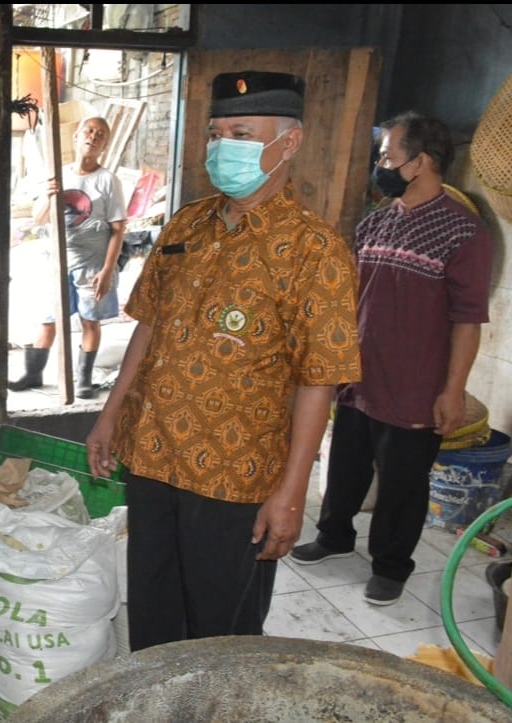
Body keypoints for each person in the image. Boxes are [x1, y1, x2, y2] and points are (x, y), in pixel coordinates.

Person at [85, 70, 361, 650]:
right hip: (154, 453)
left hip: (234, 476)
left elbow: (320, 380)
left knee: (221, 631)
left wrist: (290, 494)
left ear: (289, 143)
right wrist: (111, 416)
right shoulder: (187, 223)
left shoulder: (316, 250)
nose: (220, 147)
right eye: (215, 133)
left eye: (240, 132)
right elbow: (149, 326)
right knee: (155, 609)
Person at [290, 112, 494, 606]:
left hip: (415, 384)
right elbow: (352, 297)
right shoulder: (376, 222)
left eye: (388, 155)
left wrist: (450, 391)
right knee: (346, 462)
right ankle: (336, 535)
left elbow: (468, 321)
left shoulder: (464, 233)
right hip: (359, 374)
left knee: (402, 480)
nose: (380, 165)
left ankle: (391, 564)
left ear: (421, 162)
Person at [8, 115, 127, 399]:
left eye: (100, 135)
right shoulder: (59, 176)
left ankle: (83, 380)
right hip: (58, 262)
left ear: (104, 146)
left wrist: (108, 270)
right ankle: (32, 374)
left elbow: (119, 230)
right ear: (76, 137)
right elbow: (38, 219)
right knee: (48, 319)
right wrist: (49, 195)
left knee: (89, 321)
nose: (93, 137)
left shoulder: (108, 181)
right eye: (89, 130)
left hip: (92, 264)